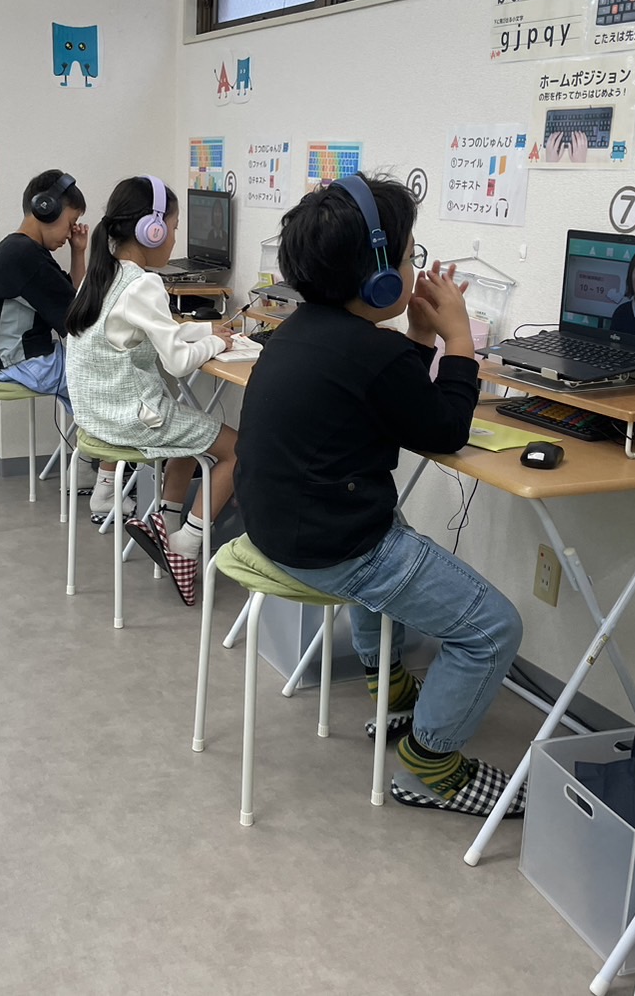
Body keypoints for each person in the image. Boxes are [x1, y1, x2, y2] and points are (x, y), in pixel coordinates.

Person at [234, 174, 524, 816]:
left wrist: (420, 338)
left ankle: (388, 687)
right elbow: (443, 432)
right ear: (381, 278)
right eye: (410, 255)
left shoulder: (300, 330)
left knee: (391, 522)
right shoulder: (371, 351)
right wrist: (459, 341)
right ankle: (433, 765)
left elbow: (398, 402)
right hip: (333, 547)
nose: (415, 268)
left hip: (276, 529)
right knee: (494, 628)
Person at [64, 175, 238, 605]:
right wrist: (220, 344)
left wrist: (205, 331)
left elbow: (155, 332)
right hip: (130, 420)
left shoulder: (103, 274)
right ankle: (186, 545)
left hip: (95, 416)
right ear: (152, 230)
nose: (174, 238)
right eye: (173, 227)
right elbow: (177, 361)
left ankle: (167, 523)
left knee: (192, 428)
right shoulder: (145, 284)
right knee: (240, 449)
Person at [0, 169, 117, 517]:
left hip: (7, 359)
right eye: (70, 223)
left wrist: (79, 253)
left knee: (87, 380)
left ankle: (86, 470)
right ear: (46, 210)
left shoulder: (22, 249)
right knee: (107, 382)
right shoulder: (28, 259)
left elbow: (73, 299)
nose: (70, 233)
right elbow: (77, 319)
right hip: (18, 361)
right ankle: (107, 488)